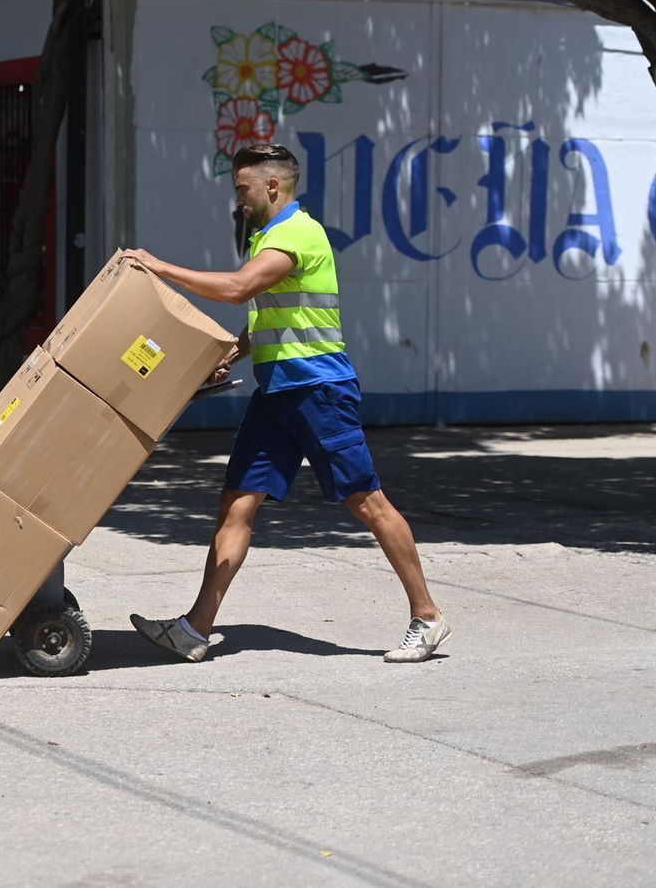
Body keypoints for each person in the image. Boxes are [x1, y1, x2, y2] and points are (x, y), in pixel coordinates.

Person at [124, 142, 450, 664]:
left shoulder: (298, 233)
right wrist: (238, 348)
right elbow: (275, 310)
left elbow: (238, 289)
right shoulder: (267, 235)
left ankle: (427, 617)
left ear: (272, 185)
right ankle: (194, 629)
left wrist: (158, 266)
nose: (239, 198)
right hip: (277, 392)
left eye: (243, 188)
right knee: (237, 502)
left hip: (318, 391)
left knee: (367, 502)